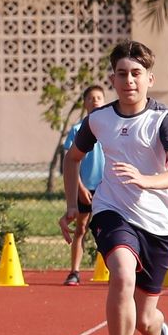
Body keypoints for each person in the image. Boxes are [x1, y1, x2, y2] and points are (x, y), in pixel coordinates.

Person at [60, 42, 168, 335]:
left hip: (158, 223)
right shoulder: (98, 119)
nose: (129, 80)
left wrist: (146, 180)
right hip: (112, 211)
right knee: (121, 273)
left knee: (147, 318)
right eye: (121, 73)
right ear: (113, 79)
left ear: (150, 79)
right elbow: (72, 159)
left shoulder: (162, 119)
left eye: (136, 74)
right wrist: (73, 204)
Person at [60, 84, 108, 285]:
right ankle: (75, 271)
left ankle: (111, 269)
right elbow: (71, 161)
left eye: (99, 97)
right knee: (81, 228)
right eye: (91, 98)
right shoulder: (78, 129)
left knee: (108, 230)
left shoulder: (110, 128)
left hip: (107, 188)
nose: (95, 100)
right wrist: (79, 187)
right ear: (85, 103)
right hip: (85, 188)